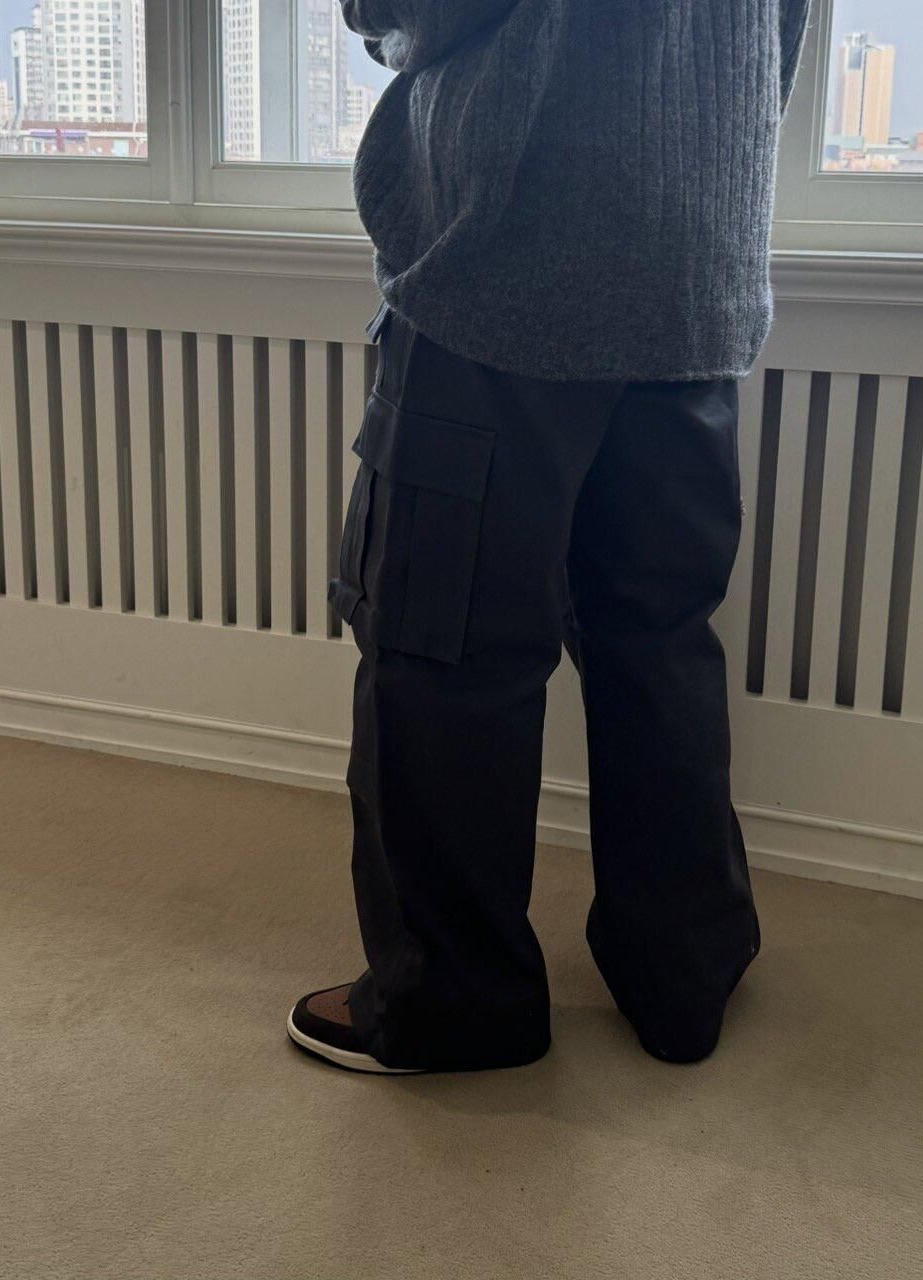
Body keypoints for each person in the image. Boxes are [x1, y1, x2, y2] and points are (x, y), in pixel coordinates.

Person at [287, 0, 813, 1074]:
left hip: (515, 252)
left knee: (438, 641)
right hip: (694, 263)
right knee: (656, 639)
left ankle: (453, 1003)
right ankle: (684, 973)